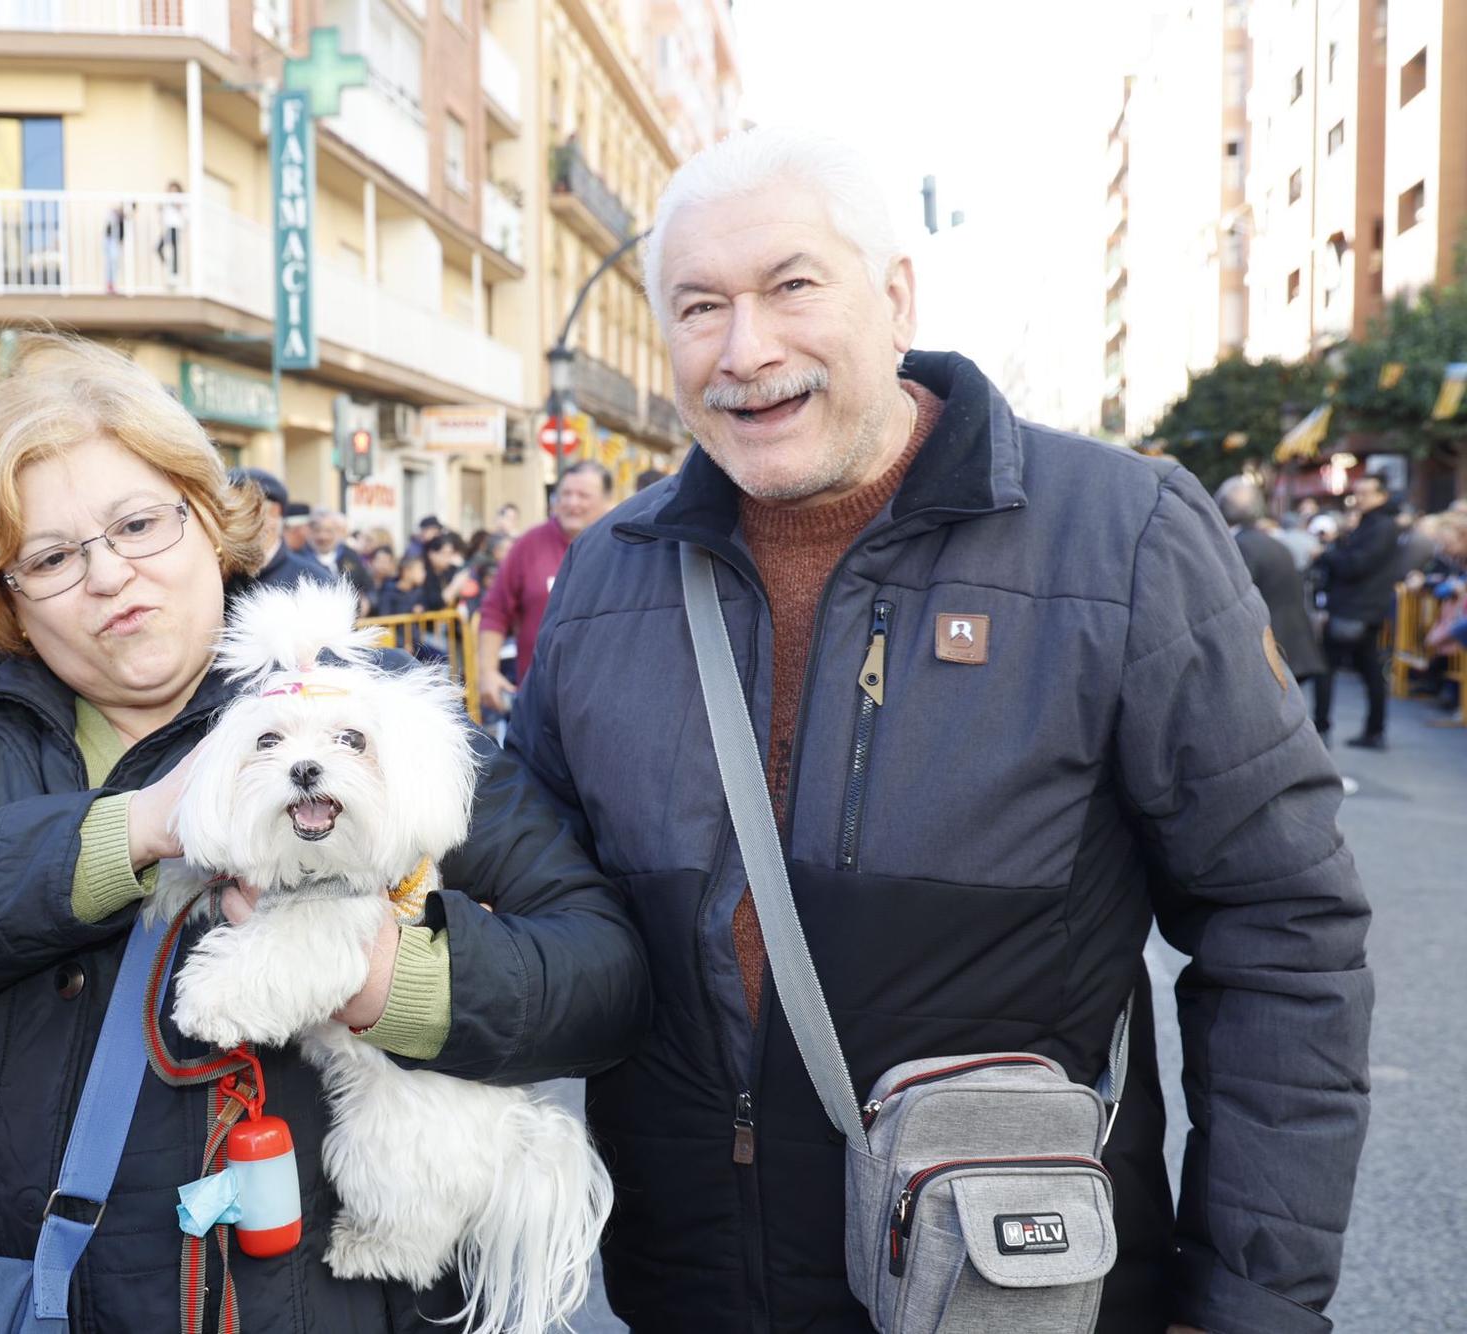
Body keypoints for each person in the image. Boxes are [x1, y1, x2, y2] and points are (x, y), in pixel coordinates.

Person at [510, 129, 1370, 1334]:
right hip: (688, 1288)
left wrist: (1249, 1301)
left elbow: (1279, 925)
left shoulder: (1117, 537)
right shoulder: (611, 573)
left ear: (896, 296)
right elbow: (527, 897)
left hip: (1012, 1293)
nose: (744, 349)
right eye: (698, 305)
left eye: (790, 286)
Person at [0, 334, 646, 1332]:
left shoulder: (366, 708)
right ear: (1, 590)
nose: (109, 575)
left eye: (138, 522)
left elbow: (602, 974)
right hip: (45, 1302)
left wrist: (380, 977)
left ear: (205, 517)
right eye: (50, 556)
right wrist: (133, 828)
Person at [477, 463, 612, 718]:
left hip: (603, 702)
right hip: (537, 701)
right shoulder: (529, 544)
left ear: (607, 501)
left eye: (583, 495)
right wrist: (487, 672)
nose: (572, 502)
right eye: (565, 494)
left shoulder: (622, 546)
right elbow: (495, 610)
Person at [1311, 474, 1401, 748]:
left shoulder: (1382, 527)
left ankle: (1323, 727)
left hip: (1355, 609)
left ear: (1381, 496)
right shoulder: (1372, 525)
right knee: (1369, 669)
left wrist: (1326, 553)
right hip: (1361, 609)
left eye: (1365, 493)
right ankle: (1373, 731)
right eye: (1357, 492)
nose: (1359, 498)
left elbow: (1356, 566)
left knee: (1327, 667)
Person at [1217, 476, 1326, 689]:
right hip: (1288, 643)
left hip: (1270, 648)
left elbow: (1236, 600)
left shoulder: (1242, 546)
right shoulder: (1271, 544)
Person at [229, 466, 334, 593]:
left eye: (239, 510)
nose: (228, 521)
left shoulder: (314, 584)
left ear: (274, 512)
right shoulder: (216, 578)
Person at [303, 508, 376, 609]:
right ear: (310, 532)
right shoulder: (301, 559)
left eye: (328, 531)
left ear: (337, 532)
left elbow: (370, 588)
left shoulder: (350, 556)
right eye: (317, 530)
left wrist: (367, 602)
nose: (323, 536)